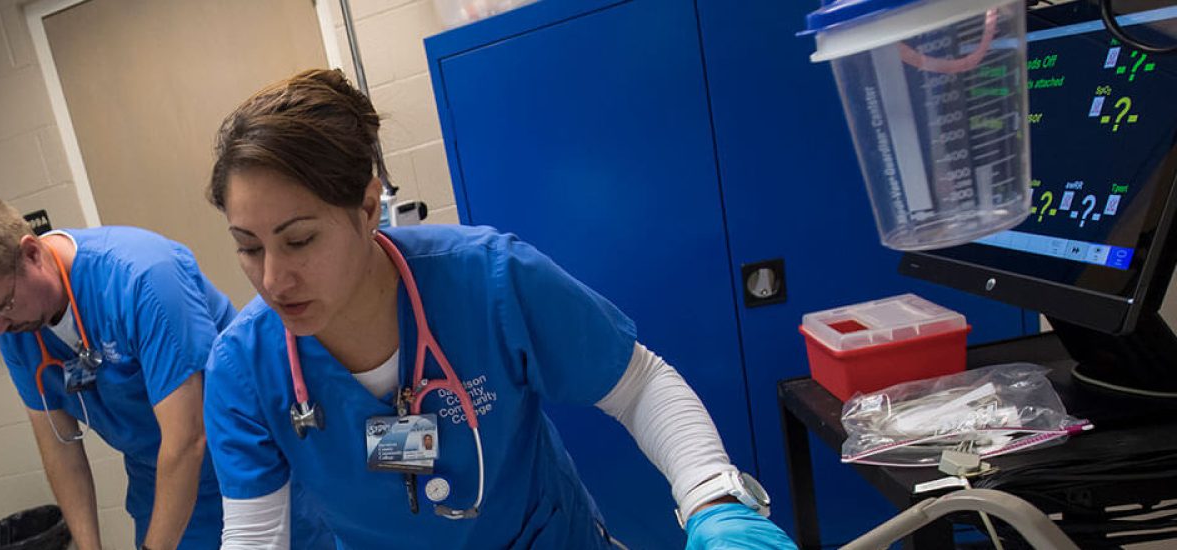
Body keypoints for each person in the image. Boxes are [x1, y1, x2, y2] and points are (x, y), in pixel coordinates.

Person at [201, 69, 797, 549]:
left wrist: (712, 499)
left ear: (367, 207)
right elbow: (255, 534)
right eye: (248, 247)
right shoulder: (243, 366)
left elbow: (638, 383)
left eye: (299, 239)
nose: (273, 279)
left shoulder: (488, 280)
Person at [0, 196, 330, 549]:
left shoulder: (143, 278)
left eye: (1, 306)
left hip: (251, 467)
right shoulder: (16, 327)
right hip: (159, 483)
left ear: (32, 254)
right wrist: (88, 545)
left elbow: (188, 438)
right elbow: (59, 448)